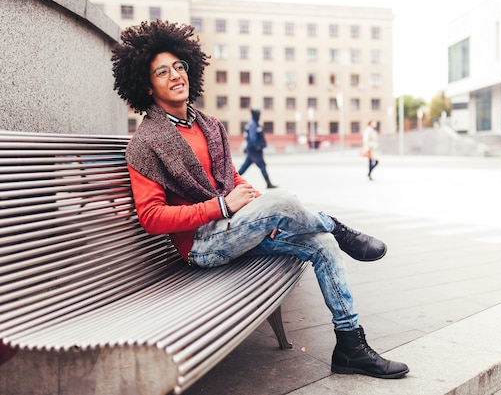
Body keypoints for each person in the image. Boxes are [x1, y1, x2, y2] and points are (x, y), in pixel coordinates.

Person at [111, 20, 409, 379]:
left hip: (235, 229)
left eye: (179, 66)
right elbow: (152, 217)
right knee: (283, 199)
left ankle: (350, 345)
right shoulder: (145, 143)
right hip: (203, 245)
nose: (176, 76)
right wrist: (224, 207)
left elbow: (229, 178)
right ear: (146, 85)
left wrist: (257, 212)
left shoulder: (207, 124)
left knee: (322, 243)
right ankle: (335, 223)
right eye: (162, 71)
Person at [238, 108, 277, 189]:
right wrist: (258, 146)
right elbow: (252, 138)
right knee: (262, 165)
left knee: (245, 166)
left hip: (252, 150)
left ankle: (231, 181)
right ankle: (268, 183)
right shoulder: (253, 124)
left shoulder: (253, 123)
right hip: (255, 150)